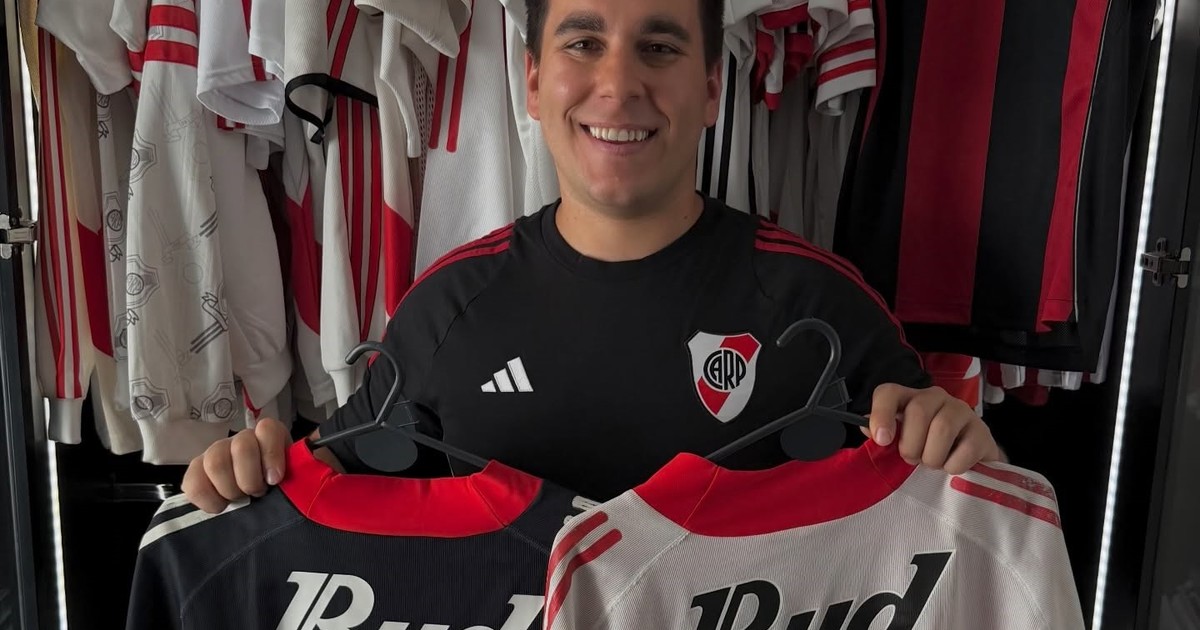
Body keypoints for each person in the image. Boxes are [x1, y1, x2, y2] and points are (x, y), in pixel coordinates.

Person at [183, 0, 1001, 512]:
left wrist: (965, 449)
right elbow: (329, 490)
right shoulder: (447, 310)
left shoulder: (825, 307)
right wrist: (249, 472)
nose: (618, 85)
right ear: (534, 84)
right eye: (583, 43)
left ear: (712, 89)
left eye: (659, 48)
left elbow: (960, 513)